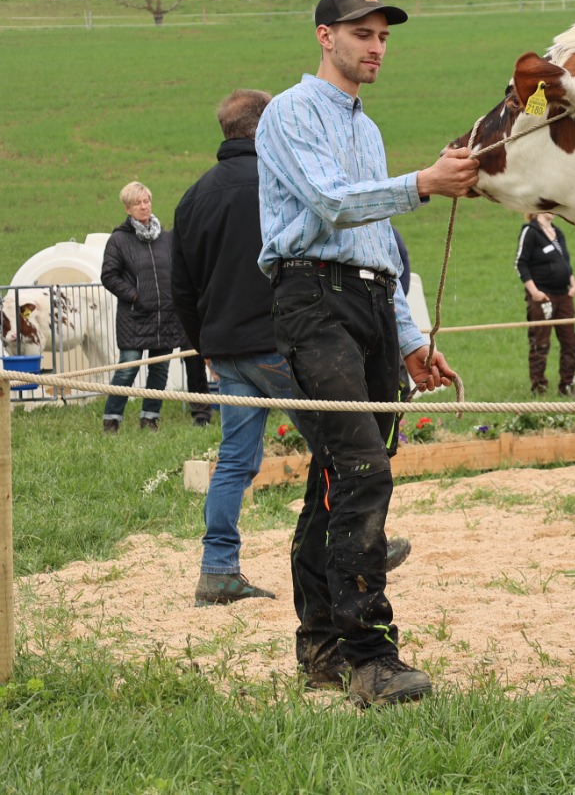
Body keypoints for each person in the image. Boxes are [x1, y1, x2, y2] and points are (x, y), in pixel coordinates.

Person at [255, 0, 478, 708]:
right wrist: (422, 183)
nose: (376, 47)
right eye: (362, 34)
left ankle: (319, 646)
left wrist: (409, 336)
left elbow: (378, 240)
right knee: (361, 468)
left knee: (340, 472)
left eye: (383, 36)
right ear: (325, 37)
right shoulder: (290, 113)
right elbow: (330, 203)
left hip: (369, 302)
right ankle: (369, 655)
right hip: (311, 298)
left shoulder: (369, 129)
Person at [173, 90, 413, 609]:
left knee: (236, 461)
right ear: (267, 130)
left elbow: (181, 288)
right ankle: (362, 542)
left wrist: (206, 346)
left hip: (227, 350)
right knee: (347, 449)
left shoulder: (193, 197)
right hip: (285, 340)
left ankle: (217, 568)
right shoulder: (280, 183)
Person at [100, 181, 187, 433]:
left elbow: (177, 269)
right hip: (135, 317)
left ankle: (150, 417)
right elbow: (109, 276)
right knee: (127, 369)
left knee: (159, 370)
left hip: (165, 316)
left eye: (146, 201)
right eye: (137, 203)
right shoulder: (118, 240)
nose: (143, 206)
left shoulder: (166, 238)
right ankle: (112, 418)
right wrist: (135, 296)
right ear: (127, 208)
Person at [517, 212, 575, 396]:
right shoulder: (530, 231)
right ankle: (539, 388)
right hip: (543, 295)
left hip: (564, 295)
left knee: (570, 341)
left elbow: (565, 262)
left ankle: (567, 385)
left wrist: (573, 283)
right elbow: (521, 263)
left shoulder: (558, 232)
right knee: (540, 342)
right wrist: (534, 292)